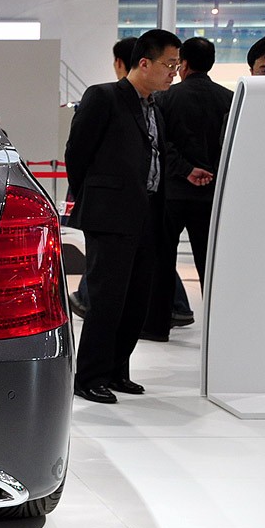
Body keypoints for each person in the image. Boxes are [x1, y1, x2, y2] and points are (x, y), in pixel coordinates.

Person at [65, 28, 182, 403]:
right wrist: (98, 198)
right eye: (169, 64)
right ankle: (89, 376)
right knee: (107, 299)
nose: (174, 72)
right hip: (111, 215)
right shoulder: (103, 97)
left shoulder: (154, 107)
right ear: (144, 63)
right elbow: (77, 153)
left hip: (148, 214)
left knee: (136, 298)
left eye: (177, 65)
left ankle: (117, 370)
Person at [144, 38, 233, 333]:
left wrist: (186, 170)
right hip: (212, 195)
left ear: (183, 64)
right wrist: (209, 172)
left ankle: (157, 326)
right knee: (211, 265)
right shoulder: (229, 99)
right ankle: (218, 330)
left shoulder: (166, 98)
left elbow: (160, 144)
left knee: (162, 260)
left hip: (172, 193)